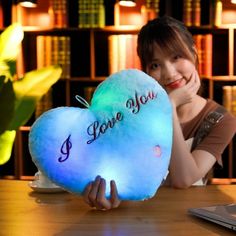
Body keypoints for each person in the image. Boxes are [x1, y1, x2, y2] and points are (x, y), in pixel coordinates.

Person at [82, 16, 236, 210]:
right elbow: (120, 174)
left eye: (176, 57)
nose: (169, 73)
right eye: (155, 65)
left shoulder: (221, 120)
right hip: (140, 219)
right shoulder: (132, 112)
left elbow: (184, 179)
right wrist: (109, 196)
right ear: (146, 71)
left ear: (194, 53)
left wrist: (169, 107)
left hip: (190, 221)